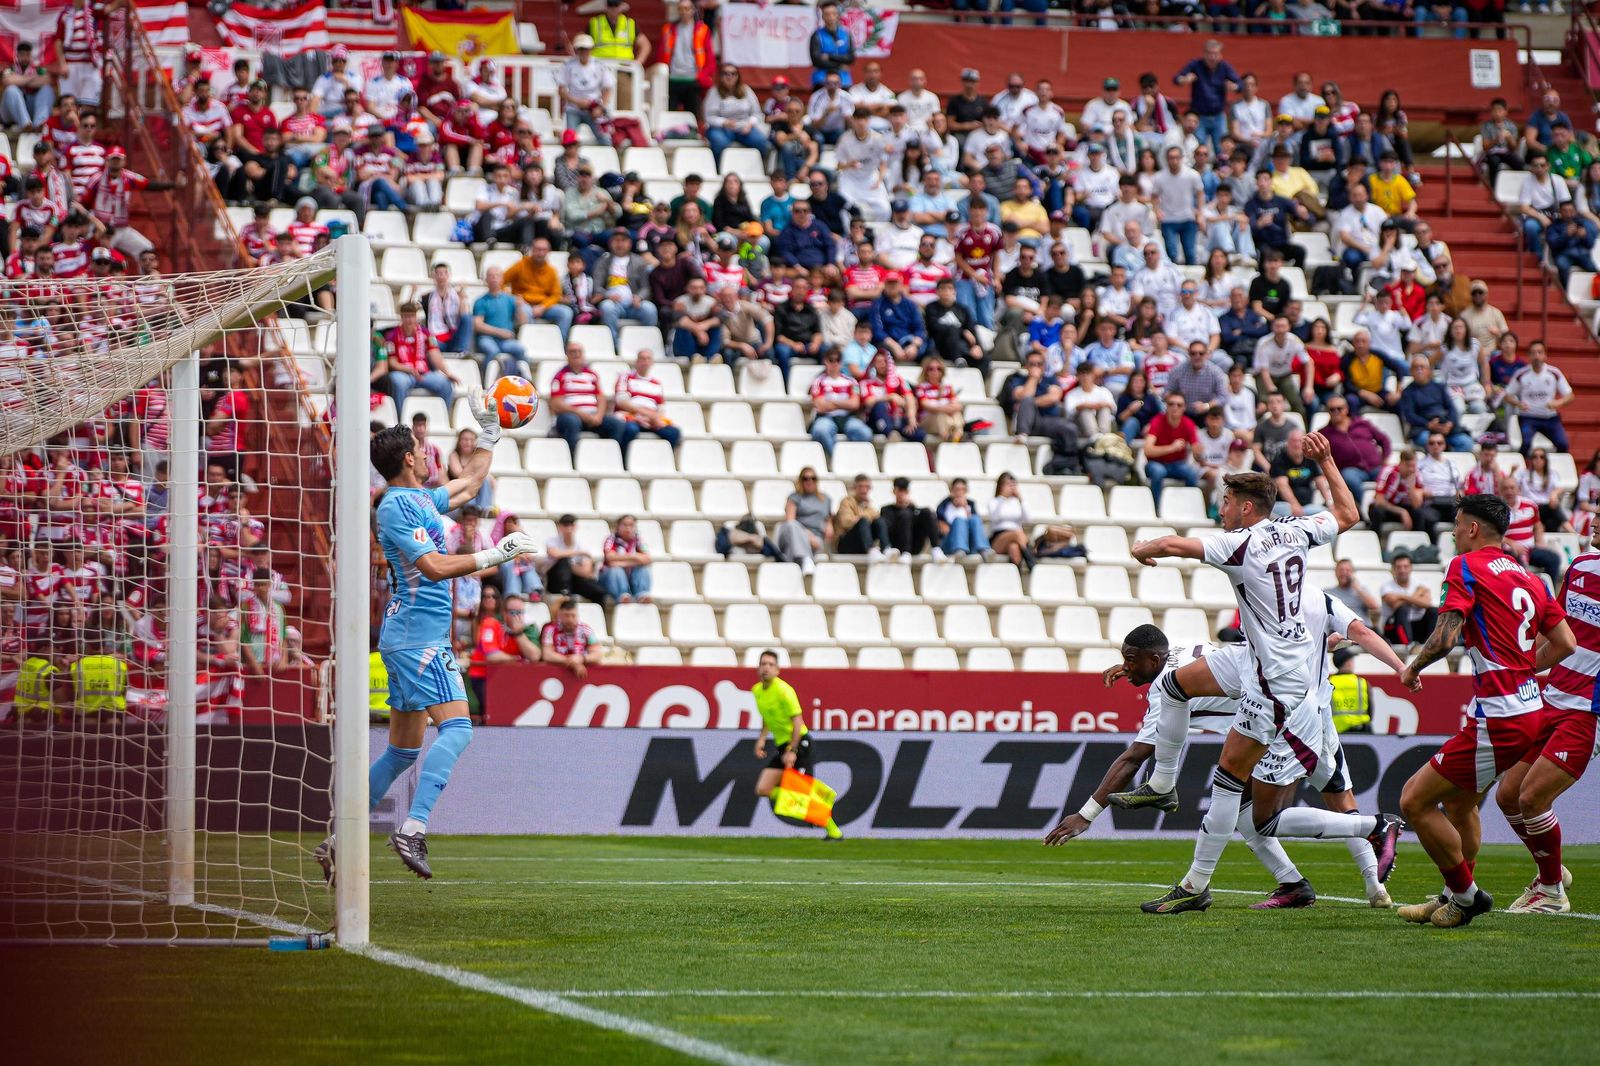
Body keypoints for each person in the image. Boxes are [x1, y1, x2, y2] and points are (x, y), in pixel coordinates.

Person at [1116, 457, 1404, 915]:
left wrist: (1143, 549)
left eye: (1227, 501)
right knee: (1172, 686)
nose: (1222, 509)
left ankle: (1371, 828)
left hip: (1278, 688)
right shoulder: (1296, 530)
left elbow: (1174, 543)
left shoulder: (1240, 544)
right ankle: (1164, 785)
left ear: (1248, 508)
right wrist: (1329, 462)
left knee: (1244, 799)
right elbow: (1349, 514)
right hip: (1258, 664)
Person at [1048, 620, 1397, 910]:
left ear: (1153, 660)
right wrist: (1133, 667)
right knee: (1328, 800)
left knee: (1260, 817)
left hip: (1282, 725)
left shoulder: (1162, 693)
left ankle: (1375, 826)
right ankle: (1366, 888)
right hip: (1310, 708)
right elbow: (1169, 662)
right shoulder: (1182, 650)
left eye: (1130, 661)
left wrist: (1086, 815)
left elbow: (1133, 757)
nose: (1125, 667)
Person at [345, 415, 537, 883]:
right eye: (420, 447)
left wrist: (490, 433)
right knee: (458, 730)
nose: (429, 452)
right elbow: (431, 566)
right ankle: (412, 828)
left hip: (413, 637)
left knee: (401, 754)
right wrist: (496, 555)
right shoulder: (393, 507)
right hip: (419, 639)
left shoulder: (420, 499)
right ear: (409, 458)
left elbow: (470, 485)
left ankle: (339, 840)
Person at [1397, 494, 1575, 928]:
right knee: (1459, 805)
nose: (1454, 532)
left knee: (1413, 801)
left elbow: (1444, 638)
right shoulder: (1532, 578)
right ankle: (1452, 897)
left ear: (1473, 529)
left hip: (1499, 714)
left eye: (1458, 525)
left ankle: (1465, 895)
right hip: (1528, 706)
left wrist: (1412, 667)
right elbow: (1566, 643)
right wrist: (1520, 668)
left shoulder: (1465, 567)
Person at [1494, 532, 1599, 915]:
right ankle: (1550, 870)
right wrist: (1519, 671)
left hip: (1588, 711)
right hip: (1551, 698)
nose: (1595, 523)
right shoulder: (1579, 567)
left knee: (1533, 797)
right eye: (1596, 514)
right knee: (1507, 796)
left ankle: (1551, 891)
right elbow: (1555, 632)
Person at [751, 650, 843, 839]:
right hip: (783, 746)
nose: (766, 668)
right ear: (758, 668)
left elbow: (797, 722)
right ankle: (815, 797)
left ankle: (833, 830)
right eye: (763, 664)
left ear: (778, 669)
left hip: (800, 743)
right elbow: (768, 717)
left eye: (770, 664)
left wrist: (792, 750)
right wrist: (761, 739)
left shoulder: (785, 691)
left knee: (802, 792)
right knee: (763, 789)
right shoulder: (757, 691)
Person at [548, 340, 628, 457]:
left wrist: (599, 416)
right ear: (567, 355)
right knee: (571, 422)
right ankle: (572, 459)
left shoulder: (592, 374)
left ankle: (608, 457)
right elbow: (556, 403)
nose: (576, 354)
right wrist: (581, 414)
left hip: (592, 415)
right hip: (572, 415)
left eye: (579, 351)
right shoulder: (560, 375)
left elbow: (600, 398)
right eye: (572, 352)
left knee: (617, 425)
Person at [1503, 341, 1572, 456]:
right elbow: (1507, 396)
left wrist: (1558, 403)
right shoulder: (1522, 374)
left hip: (1549, 417)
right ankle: (1524, 471)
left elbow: (1570, 395)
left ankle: (1549, 469)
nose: (1537, 356)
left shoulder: (1553, 373)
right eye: (1533, 353)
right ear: (1529, 356)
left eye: (1540, 352)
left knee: (1563, 444)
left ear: (1545, 355)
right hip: (1529, 417)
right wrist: (1518, 404)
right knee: (1525, 444)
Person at [1499, 472, 1566, 587]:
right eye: (1505, 488)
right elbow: (1493, 534)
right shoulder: (1497, 509)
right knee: (1515, 559)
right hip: (1508, 551)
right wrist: (1512, 544)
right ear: (1500, 491)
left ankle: (1546, 592)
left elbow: (1538, 525)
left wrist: (1540, 541)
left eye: (1512, 488)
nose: (1509, 491)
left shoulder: (1530, 505)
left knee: (1554, 559)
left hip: (1530, 549)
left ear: (1518, 489)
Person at [614, 348, 682, 450]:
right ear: (636, 361)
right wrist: (645, 414)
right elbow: (622, 402)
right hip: (631, 418)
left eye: (648, 359)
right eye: (642, 358)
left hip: (650, 421)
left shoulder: (656, 384)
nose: (645, 362)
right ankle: (624, 460)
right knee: (630, 429)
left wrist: (654, 418)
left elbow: (661, 408)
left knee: (673, 432)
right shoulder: (626, 377)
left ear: (652, 362)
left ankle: (661, 461)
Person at [1399, 356, 1471, 451]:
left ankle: (1448, 460)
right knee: (1426, 440)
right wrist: (1428, 424)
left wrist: (1449, 423)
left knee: (1466, 443)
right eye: (1416, 367)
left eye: (1422, 367)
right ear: (1411, 371)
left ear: (1428, 370)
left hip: (1445, 426)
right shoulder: (1408, 392)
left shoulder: (1439, 387)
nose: (1419, 370)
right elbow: (1410, 415)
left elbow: (1451, 408)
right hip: (1424, 428)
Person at [1143, 394, 1200, 509]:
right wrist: (1172, 448)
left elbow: (1196, 450)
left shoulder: (1189, 424)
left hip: (1177, 465)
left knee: (1192, 473)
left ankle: (1187, 508)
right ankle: (1157, 509)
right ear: (1166, 406)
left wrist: (1199, 452)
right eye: (1171, 404)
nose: (1175, 407)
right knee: (1158, 471)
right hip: (1155, 463)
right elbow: (1148, 451)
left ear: (1184, 408)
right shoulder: (1157, 421)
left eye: (1179, 405)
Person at [775, 467, 832, 575]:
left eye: (813, 478)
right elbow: (789, 521)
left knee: (790, 551)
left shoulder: (825, 499)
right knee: (791, 526)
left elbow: (828, 520)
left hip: (816, 540)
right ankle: (806, 559)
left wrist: (829, 526)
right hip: (795, 535)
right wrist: (806, 534)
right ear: (801, 481)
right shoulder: (794, 497)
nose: (809, 481)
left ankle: (793, 570)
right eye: (806, 478)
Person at [660, 0, 713, 113]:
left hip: (693, 78)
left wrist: (702, 75)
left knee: (693, 114)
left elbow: (710, 56)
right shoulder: (668, 29)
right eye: (681, 9)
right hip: (672, 77)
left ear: (693, 10)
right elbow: (662, 53)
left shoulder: (702, 30)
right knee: (670, 112)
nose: (684, 12)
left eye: (687, 8)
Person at [1380, 552, 1437, 647]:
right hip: (1394, 629)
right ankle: (1408, 645)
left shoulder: (1418, 583)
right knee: (1402, 610)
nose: (1402, 570)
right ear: (1393, 569)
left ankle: (1431, 645)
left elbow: (1427, 604)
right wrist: (1417, 595)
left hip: (1416, 626)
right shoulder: (1386, 587)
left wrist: (1401, 596)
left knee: (1433, 611)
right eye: (1399, 567)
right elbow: (1395, 605)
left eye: (1405, 566)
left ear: (1411, 568)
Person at [540, 595, 602, 677]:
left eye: (573, 616)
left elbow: (597, 655)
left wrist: (582, 659)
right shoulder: (550, 630)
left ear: (577, 616)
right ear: (560, 615)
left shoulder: (587, 630)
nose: (570, 619)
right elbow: (547, 655)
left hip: (583, 673)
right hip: (554, 674)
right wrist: (574, 664)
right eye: (566, 615)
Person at [599, 514, 652, 603]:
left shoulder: (639, 540)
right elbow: (610, 557)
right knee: (615, 570)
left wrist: (621, 562)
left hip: (630, 576)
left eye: (631, 525)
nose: (628, 528)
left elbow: (647, 559)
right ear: (618, 527)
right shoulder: (611, 539)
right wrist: (635, 556)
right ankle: (622, 595)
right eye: (624, 525)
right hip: (610, 578)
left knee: (642, 568)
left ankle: (642, 594)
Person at [880, 476, 937, 557]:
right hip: (897, 546)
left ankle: (936, 548)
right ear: (894, 491)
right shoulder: (886, 510)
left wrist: (911, 508)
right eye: (900, 490)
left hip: (915, 545)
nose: (902, 494)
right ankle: (905, 552)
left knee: (927, 512)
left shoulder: (913, 509)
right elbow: (889, 529)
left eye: (904, 491)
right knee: (905, 515)